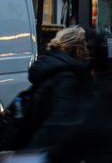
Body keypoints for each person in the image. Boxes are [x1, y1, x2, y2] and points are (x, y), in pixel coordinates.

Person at [21, 27, 96, 161]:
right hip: (55, 152)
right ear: (76, 48)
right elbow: (60, 120)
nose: (87, 49)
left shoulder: (52, 65)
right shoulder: (67, 76)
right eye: (84, 44)